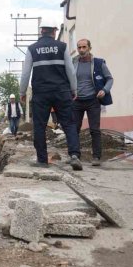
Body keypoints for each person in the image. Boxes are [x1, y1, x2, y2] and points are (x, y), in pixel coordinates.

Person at [19, 18, 83, 170]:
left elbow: (25, 73)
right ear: (54, 31)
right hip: (62, 91)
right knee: (69, 124)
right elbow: (71, 71)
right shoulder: (62, 47)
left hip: (41, 93)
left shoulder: (32, 49)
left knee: (39, 126)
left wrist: (22, 92)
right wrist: (74, 89)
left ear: (41, 31)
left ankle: (42, 160)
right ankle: (74, 155)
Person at [73, 39, 114, 166]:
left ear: (89, 48)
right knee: (74, 129)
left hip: (93, 100)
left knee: (94, 130)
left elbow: (109, 79)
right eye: (79, 47)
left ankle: (96, 157)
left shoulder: (98, 63)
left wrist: (104, 90)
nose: (81, 50)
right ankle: (74, 155)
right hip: (77, 101)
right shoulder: (73, 62)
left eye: (84, 47)